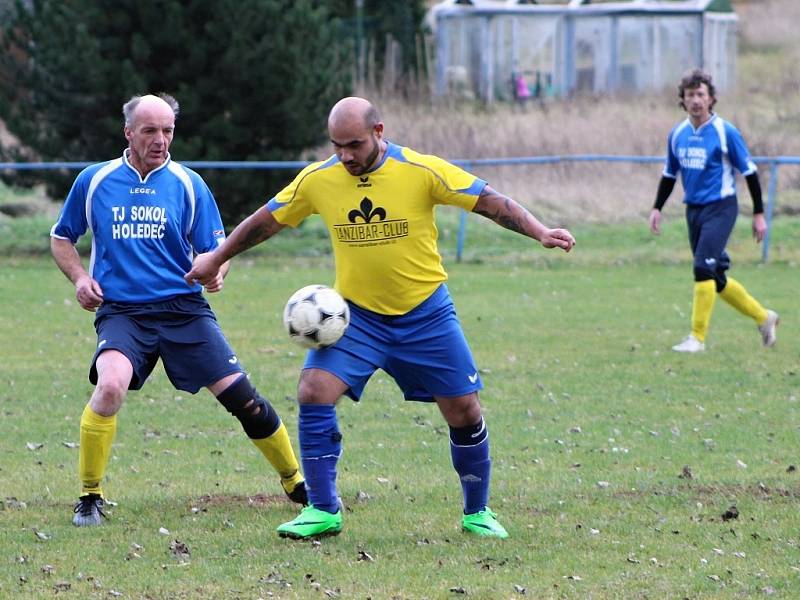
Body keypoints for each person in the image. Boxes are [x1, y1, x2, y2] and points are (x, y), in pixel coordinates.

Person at [185, 96, 575, 540]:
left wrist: (540, 231)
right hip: (355, 319)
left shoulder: (420, 170)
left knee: (464, 410)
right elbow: (267, 220)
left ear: (378, 131)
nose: (346, 156)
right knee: (313, 390)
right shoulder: (319, 179)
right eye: (337, 146)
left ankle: (477, 511)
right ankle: (322, 509)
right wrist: (216, 258)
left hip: (426, 313)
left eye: (353, 144)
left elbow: (488, 201)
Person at [50, 93, 307, 527]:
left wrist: (217, 271)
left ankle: (295, 481)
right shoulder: (94, 181)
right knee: (110, 386)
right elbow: (61, 238)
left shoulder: (189, 184)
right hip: (123, 313)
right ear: (128, 132)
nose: (160, 139)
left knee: (245, 401)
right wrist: (79, 278)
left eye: (168, 130)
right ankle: (89, 496)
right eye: (150, 130)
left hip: (184, 310)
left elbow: (214, 251)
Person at [649, 69, 778, 353]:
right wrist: (657, 207)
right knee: (715, 278)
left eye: (700, 94)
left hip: (721, 207)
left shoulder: (725, 131)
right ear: (682, 100)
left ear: (711, 99)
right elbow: (670, 175)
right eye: (690, 95)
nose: (695, 100)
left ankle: (697, 338)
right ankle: (764, 317)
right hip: (693, 211)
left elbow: (751, 172)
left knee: (702, 268)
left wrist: (758, 214)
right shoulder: (678, 134)